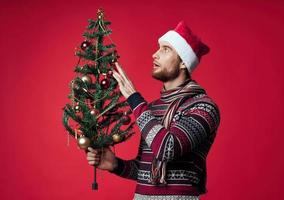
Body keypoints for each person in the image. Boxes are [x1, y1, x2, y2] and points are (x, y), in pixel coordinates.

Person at [86, 21, 221, 200]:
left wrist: (134, 99)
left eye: (165, 49)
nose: (155, 54)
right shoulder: (152, 109)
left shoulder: (204, 106)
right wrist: (115, 165)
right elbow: (145, 170)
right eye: (158, 48)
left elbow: (167, 149)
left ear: (183, 62)